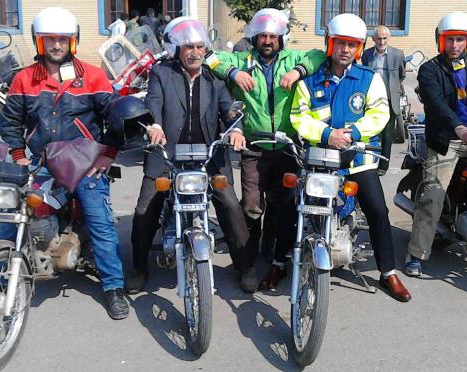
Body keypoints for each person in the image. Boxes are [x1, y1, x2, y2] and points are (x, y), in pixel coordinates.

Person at [0, 7, 129, 319]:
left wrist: (108, 154)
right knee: (14, 215)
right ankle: (0, 273)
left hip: (85, 166)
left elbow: (115, 117)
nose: (56, 45)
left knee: (100, 223)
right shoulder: (24, 79)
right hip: (44, 164)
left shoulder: (93, 76)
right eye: (49, 40)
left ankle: (113, 287)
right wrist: (19, 158)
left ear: (72, 42)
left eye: (62, 39)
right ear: (39, 42)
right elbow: (10, 123)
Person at [290, 13, 411, 302]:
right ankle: (283, 263)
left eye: (352, 45)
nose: (345, 50)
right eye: (340, 43)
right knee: (297, 208)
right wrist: (326, 135)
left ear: (359, 48)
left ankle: (388, 272)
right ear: (330, 44)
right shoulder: (310, 81)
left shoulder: (368, 79)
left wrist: (354, 132)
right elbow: (299, 116)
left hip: (358, 159)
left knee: (378, 211)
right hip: (321, 158)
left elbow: (381, 113)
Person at [127, 17, 253, 293]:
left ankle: (245, 267)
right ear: (177, 49)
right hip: (167, 153)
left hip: (208, 156)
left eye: (199, 46)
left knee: (230, 204)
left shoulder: (213, 77)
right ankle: (138, 268)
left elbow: (228, 108)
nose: (195, 52)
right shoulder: (162, 73)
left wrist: (235, 128)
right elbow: (154, 102)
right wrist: (155, 125)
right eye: (188, 47)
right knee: (145, 208)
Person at [208, 8, 325, 290]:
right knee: (251, 204)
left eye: (273, 36)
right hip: (254, 145)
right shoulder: (242, 59)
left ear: (281, 38)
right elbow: (209, 58)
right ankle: (248, 254)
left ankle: (272, 249)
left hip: (287, 146)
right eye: (263, 36)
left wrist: (299, 71)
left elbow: (320, 56)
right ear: (255, 38)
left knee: (283, 202)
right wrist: (233, 71)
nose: (268, 41)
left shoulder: (294, 58)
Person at [403, 12, 467, 277]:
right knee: (433, 194)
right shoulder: (430, 69)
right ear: (440, 41)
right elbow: (435, 103)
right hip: (448, 140)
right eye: (449, 39)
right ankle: (416, 254)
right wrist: (458, 127)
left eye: (460, 39)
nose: (455, 45)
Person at [361, 25, 406, 174]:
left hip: (389, 100)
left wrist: (394, 89)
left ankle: (383, 166)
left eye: (384, 38)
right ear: (373, 39)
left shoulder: (398, 55)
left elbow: (402, 75)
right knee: (370, 132)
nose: (382, 41)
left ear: (389, 38)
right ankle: (369, 163)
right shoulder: (367, 55)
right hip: (371, 100)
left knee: (387, 135)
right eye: (379, 38)